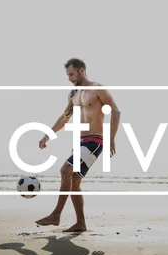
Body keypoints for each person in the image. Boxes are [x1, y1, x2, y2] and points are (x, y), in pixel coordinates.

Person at [35, 58, 121, 232]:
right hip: (80, 142)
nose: (69, 78)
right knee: (74, 183)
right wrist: (47, 136)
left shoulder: (97, 88)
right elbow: (64, 118)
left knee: (65, 170)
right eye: (68, 75)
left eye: (71, 74)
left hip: (94, 141)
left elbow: (116, 111)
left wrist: (112, 138)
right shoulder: (73, 94)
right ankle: (81, 223)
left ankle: (56, 215)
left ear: (81, 71)